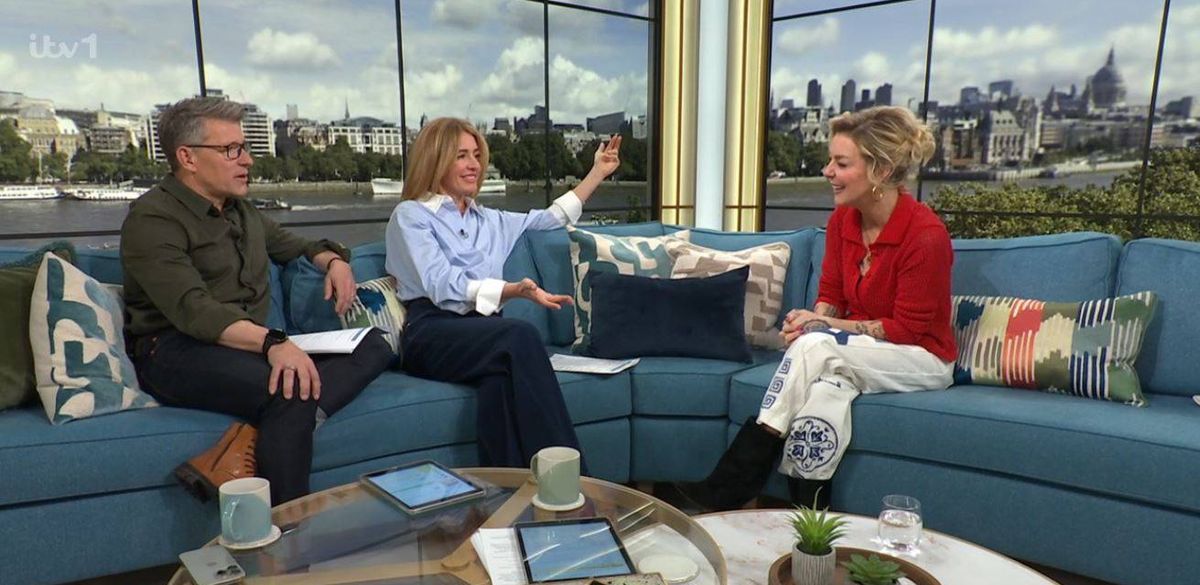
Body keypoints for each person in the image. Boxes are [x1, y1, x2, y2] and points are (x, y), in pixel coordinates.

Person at [679, 106, 957, 511]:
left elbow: (908, 330)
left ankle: (736, 479)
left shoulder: (925, 236)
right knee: (824, 396)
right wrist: (810, 323)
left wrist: (820, 327)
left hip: (922, 358)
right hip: (863, 354)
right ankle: (810, 521)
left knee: (816, 349)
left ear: (879, 171)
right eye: (830, 160)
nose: (827, 171)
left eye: (840, 163)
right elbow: (830, 293)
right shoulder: (845, 220)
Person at [121, 97, 394, 505]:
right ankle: (290, 545)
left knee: (374, 343)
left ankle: (257, 436)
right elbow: (195, 310)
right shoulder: (153, 218)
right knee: (290, 390)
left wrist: (334, 261)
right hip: (175, 350)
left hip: (249, 346)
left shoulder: (242, 212)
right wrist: (272, 343)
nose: (247, 160)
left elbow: (297, 245)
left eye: (245, 148)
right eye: (232, 150)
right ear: (187, 157)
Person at [385, 117, 621, 469]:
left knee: (499, 383)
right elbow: (440, 284)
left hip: (484, 333)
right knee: (519, 336)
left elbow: (552, 218)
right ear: (436, 160)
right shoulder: (412, 216)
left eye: (477, 155)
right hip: (432, 332)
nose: (474, 165)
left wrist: (597, 173)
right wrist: (510, 290)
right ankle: (574, 486)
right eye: (461, 155)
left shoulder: (492, 220)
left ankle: (505, 499)